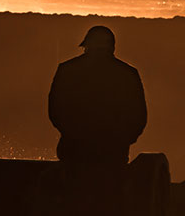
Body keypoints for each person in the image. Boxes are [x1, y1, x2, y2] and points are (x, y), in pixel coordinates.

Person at [48, 25, 146, 168]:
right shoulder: (128, 74)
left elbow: (55, 109)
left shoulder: (68, 69)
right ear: (112, 47)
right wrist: (124, 139)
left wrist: (71, 133)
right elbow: (138, 114)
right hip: (113, 151)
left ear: (87, 45)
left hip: (74, 149)